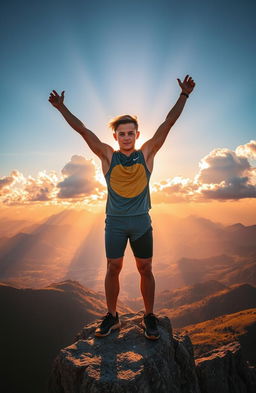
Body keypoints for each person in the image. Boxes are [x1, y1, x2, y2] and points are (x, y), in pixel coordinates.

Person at [48, 75, 196, 340]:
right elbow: (83, 130)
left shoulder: (148, 153)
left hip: (141, 223)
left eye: (131, 133)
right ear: (115, 136)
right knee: (112, 268)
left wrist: (183, 95)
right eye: (121, 134)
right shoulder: (107, 156)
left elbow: (168, 123)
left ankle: (149, 315)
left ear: (137, 135)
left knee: (146, 269)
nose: (126, 137)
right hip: (114, 223)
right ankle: (112, 316)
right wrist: (61, 108)